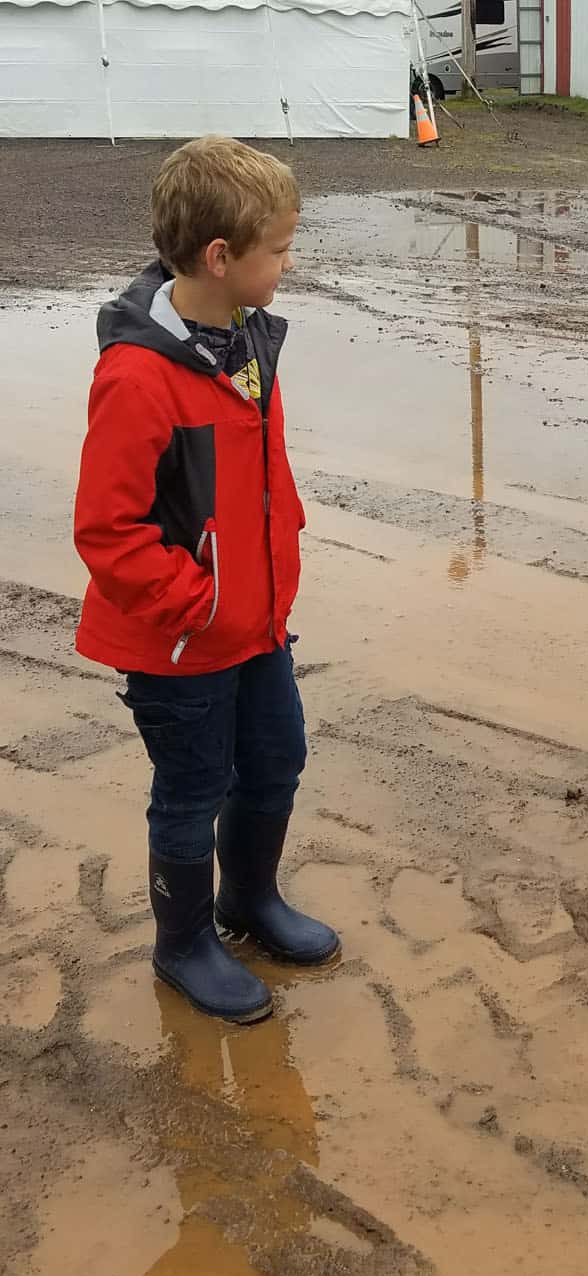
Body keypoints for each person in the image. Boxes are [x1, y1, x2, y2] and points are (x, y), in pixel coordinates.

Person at [74, 136, 341, 1024]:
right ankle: (182, 942)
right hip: (181, 638)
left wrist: (271, 575)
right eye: (280, 248)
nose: (290, 263)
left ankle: (249, 899)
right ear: (221, 258)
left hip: (257, 625)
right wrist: (200, 604)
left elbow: (261, 485)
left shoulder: (247, 341)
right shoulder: (138, 375)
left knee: (274, 764)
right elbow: (107, 531)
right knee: (190, 794)